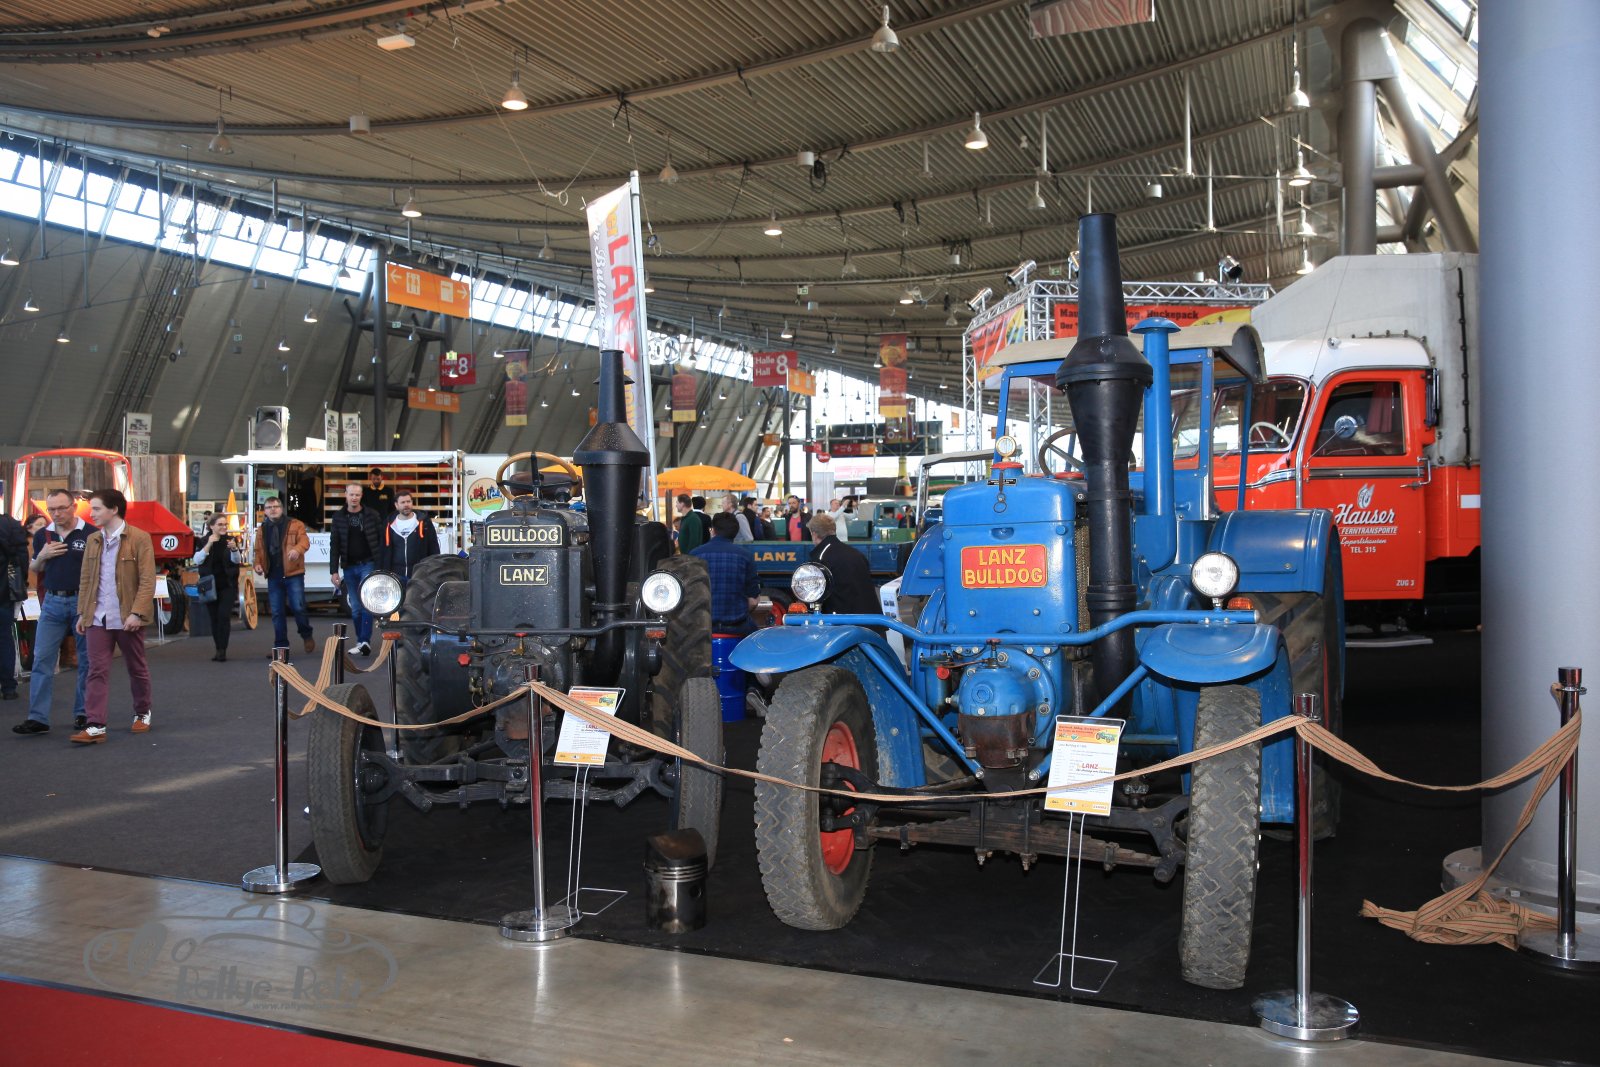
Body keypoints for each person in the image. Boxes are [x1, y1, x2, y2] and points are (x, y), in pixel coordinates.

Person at [72, 489, 155, 744]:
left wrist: (137, 612)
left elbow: (147, 580)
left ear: (114, 509)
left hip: (128, 616)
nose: (92, 514)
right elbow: (86, 579)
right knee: (95, 669)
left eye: (97, 509)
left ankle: (142, 712)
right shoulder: (93, 539)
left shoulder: (139, 538)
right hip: (97, 616)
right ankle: (95, 724)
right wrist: (82, 613)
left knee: (136, 667)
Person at [14, 491, 93, 735]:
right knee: (42, 659)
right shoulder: (42, 535)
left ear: (73, 507)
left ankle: (84, 713)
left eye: (61, 508)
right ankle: (37, 717)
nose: (56, 514)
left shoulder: (91, 534)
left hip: (82, 600)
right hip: (52, 601)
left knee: (86, 661)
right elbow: (35, 568)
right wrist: (42, 556)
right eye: (52, 509)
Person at [253, 496, 315, 656]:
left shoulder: (295, 524)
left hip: (294, 573)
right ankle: (281, 647)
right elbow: (258, 551)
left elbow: (305, 542)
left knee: (298, 607)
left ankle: (306, 634)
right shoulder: (262, 529)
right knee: (277, 612)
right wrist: (257, 564)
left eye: (276, 506)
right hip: (273, 575)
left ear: (281, 508)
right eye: (269, 507)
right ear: (265, 511)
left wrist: (297, 550)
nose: (273, 509)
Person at [329, 482, 384, 656]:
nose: (354, 498)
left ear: (361, 496)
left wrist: (381, 564)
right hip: (349, 566)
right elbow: (334, 544)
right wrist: (333, 570)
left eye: (357, 495)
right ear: (345, 495)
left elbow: (381, 540)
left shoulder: (372, 515)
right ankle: (361, 641)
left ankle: (365, 640)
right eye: (351, 494)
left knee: (367, 602)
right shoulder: (338, 517)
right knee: (355, 607)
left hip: (368, 563)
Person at [691, 511, 759, 635]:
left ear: (713, 531)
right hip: (738, 628)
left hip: (702, 628)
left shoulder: (695, 554)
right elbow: (753, 601)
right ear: (735, 533)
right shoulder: (746, 556)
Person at [806, 512, 879, 618]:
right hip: (871, 618)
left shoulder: (820, 558)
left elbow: (814, 596)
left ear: (814, 534)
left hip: (844, 622)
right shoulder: (856, 554)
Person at [194, 515, 241, 662]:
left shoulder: (231, 540)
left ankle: (223, 650)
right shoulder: (203, 541)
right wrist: (209, 544)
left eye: (225, 524)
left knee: (223, 616)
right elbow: (197, 560)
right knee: (214, 618)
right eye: (220, 524)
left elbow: (237, 561)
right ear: (211, 526)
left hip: (227, 584)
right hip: (209, 585)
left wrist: (234, 550)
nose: (224, 527)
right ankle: (218, 648)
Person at [0, 506, 31, 702]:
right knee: (5, 639)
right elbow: (22, 559)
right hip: (5, 591)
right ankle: (8, 687)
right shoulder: (11, 524)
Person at [383, 491, 440, 588]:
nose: (406, 505)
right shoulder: (389, 524)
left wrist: (433, 569)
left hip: (419, 574)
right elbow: (383, 550)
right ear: (396, 505)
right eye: (403, 502)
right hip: (396, 574)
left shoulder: (424, 522)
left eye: (408, 501)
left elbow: (434, 547)